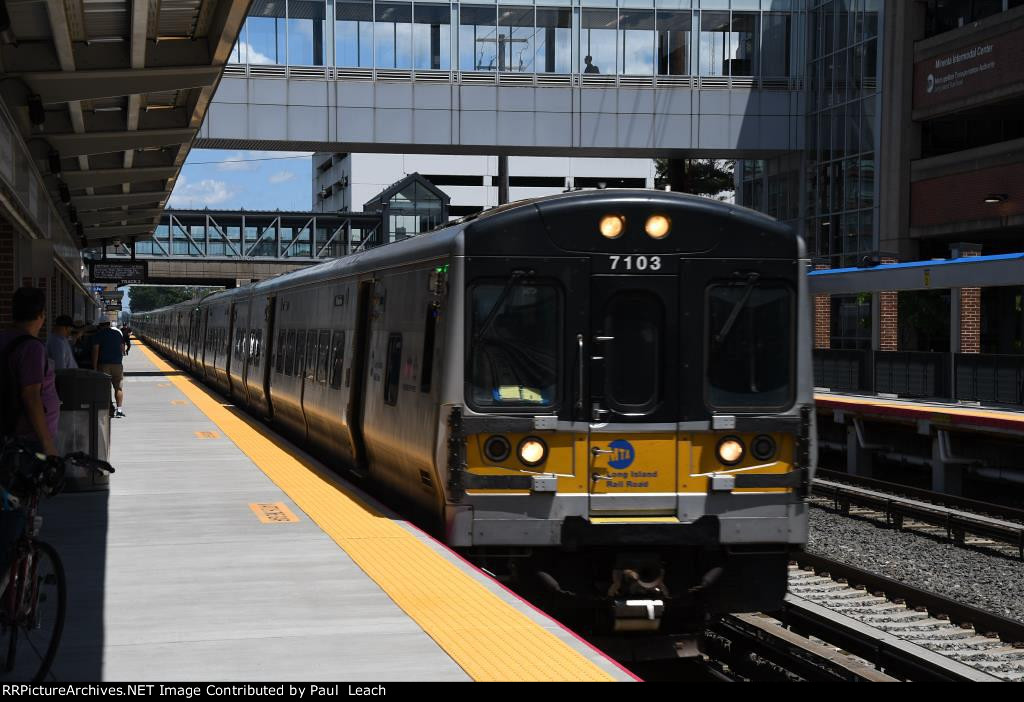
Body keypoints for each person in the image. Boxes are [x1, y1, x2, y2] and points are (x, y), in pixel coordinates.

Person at [0, 288, 59, 457]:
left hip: (9, 432)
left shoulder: (3, 338)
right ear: (41, 315)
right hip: (29, 439)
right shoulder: (32, 348)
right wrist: (47, 444)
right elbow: (31, 395)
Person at [92, 321, 126, 418]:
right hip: (117, 365)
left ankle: (109, 409)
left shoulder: (98, 335)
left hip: (104, 365)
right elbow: (122, 349)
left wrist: (94, 367)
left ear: (100, 325)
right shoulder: (117, 333)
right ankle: (119, 410)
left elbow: (95, 351)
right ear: (109, 324)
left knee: (105, 388)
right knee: (118, 388)